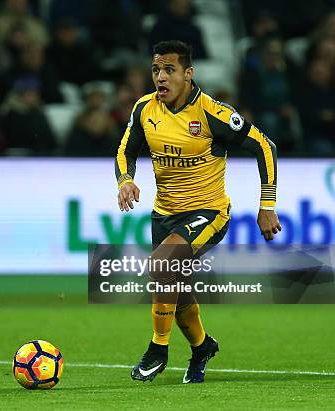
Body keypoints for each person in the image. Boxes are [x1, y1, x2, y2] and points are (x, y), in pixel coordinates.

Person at [115, 41, 281, 384]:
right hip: (164, 215)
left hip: (208, 212)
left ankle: (157, 350)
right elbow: (125, 150)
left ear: (188, 74)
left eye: (169, 70)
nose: (161, 77)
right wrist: (126, 180)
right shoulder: (144, 108)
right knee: (176, 286)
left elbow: (265, 145)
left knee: (161, 267)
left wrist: (267, 204)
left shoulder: (212, 113)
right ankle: (203, 346)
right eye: (156, 70)